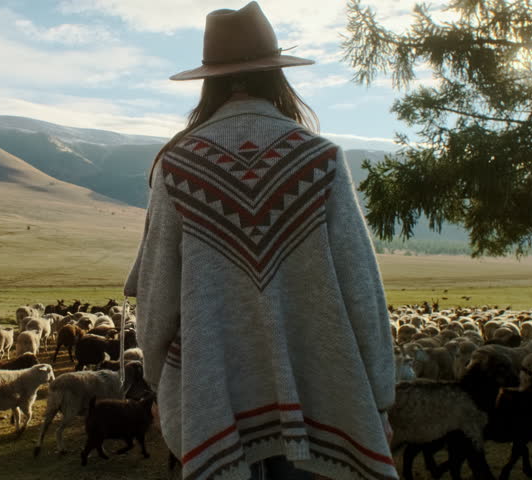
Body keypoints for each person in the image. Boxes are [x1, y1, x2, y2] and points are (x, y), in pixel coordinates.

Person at [123, 2, 397, 480]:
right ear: (277, 76)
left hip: (212, 389)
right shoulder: (321, 159)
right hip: (319, 390)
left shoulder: (176, 166)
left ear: (209, 82)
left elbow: (156, 294)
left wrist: (156, 383)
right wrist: (378, 398)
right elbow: (362, 289)